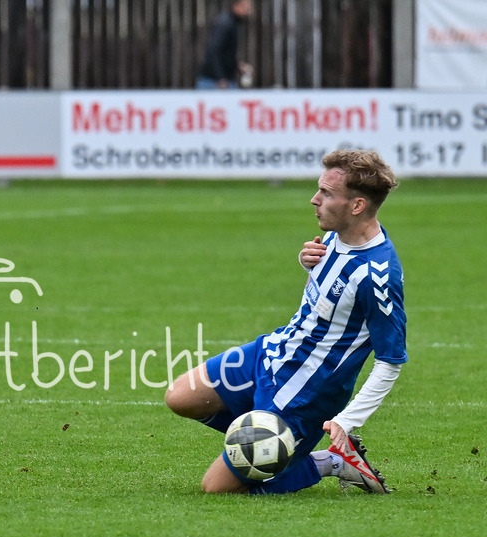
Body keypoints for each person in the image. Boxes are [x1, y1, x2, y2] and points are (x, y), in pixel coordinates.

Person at [165, 149, 406, 495]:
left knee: (216, 488)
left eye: (327, 194)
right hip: (271, 353)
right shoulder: (338, 235)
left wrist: (345, 421)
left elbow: (390, 362)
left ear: (356, 206)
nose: (315, 199)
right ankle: (270, 439)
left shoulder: (377, 276)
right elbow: (326, 300)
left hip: (304, 393)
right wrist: (307, 264)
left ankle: (331, 460)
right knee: (180, 397)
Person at [196, 0, 253, 89]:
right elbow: (213, 51)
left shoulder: (233, 23)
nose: (249, 10)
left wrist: (238, 65)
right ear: (236, 6)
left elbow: (226, 53)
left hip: (225, 79)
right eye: (246, 6)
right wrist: (220, 77)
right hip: (213, 82)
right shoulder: (224, 24)